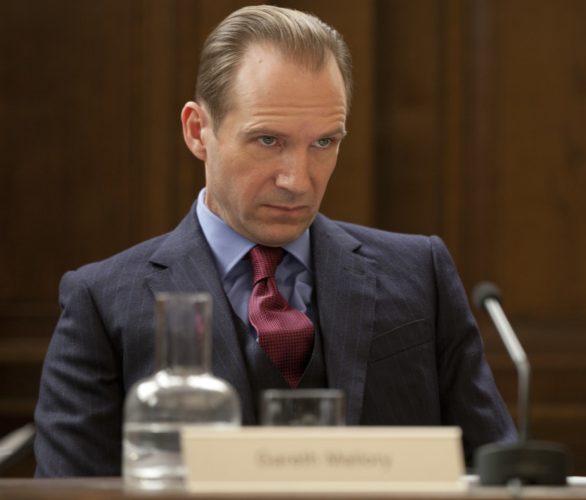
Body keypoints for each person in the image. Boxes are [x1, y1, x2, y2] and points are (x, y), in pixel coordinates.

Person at [33, 5, 516, 477]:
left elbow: (500, 473)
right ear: (198, 132)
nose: (297, 181)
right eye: (268, 140)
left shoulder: (420, 273)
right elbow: (69, 491)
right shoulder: (102, 302)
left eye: (324, 142)